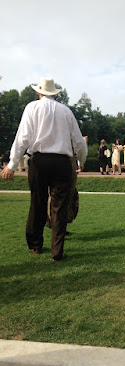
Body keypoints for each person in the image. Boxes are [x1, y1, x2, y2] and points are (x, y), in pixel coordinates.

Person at [1, 77, 87, 261]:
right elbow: (79, 142)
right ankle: (57, 251)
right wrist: (82, 161)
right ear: (54, 93)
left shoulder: (32, 108)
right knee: (60, 207)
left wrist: (12, 164)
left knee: (38, 203)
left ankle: (35, 245)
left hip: (39, 161)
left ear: (39, 92)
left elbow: (22, 138)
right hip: (63, 163)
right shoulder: (66, 111)